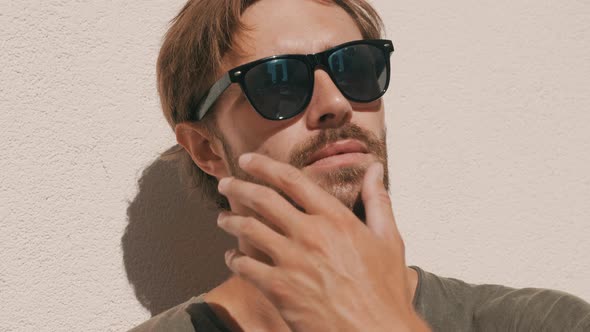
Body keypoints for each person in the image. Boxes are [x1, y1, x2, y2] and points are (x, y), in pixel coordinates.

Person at [130, 0, 590, 331]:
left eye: (356, 68)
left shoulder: (541, 323)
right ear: (207, 149)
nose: (336, 103)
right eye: (278, 80)